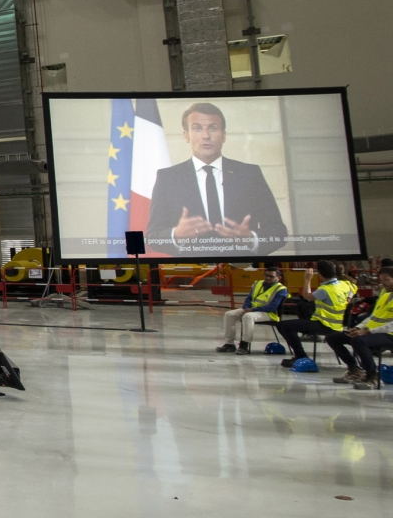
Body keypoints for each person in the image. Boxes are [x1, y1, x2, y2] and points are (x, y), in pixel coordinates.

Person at [146, 102, 288, 255]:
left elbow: (278, 232)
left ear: (223, 135)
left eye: (212, 128)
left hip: (240, 269)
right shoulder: (167, 178)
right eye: (197, 128)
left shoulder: (250, 174)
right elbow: (153, 236)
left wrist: (251, 239)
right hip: (190, 273)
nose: (206, 136)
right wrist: (176, 235)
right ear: (186, 135)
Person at [277, 260, 356, 369]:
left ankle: (301, 356)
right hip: (336, 323)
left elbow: (306, 296)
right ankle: (299, 354)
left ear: (320, 274)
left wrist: (307, 279)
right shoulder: (345, 284)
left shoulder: (325, 290)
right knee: (283, 324)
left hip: (326, 324)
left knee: (285, 326)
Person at [329, 264, 393, 388]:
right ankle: (355, 370)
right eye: (381, 279)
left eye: (387, 280)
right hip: (373, 332)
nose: (383, 283)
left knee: (359, 341)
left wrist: (367, 332)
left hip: (389, 334)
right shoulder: (385, 295)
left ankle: (373, 376)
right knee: (333, 338)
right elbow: (372, 317)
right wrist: (359, 328)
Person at [215, 265, 287, 354]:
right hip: (252, 310)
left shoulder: (281, 289)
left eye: (271, 276)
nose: (268, 278)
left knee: (248, 316)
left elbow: (273, 307)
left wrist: (252, 310)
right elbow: (249, 298)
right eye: (266, 275)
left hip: (269, 313)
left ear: (279, 277)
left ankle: (244, 345)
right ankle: (229, 344)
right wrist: (246, 308)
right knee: (229, 314)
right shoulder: (258, 283)